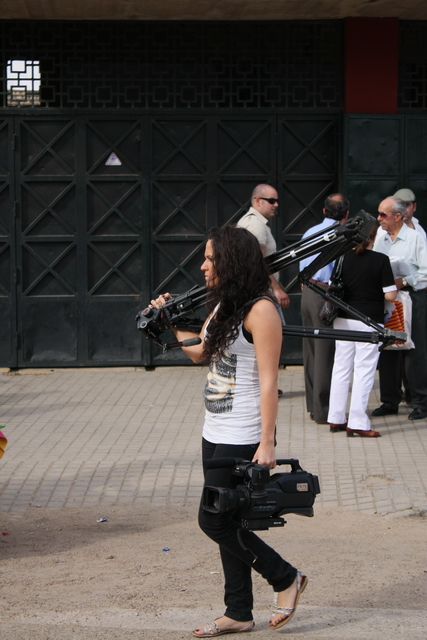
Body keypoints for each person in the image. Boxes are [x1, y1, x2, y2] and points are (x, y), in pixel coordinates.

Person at [149, 226, 307, 637]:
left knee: (213, 521)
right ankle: (238, 611)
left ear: (231, 261)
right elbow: (202, 351)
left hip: (243, 434)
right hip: (214, 428)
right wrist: (172, 322)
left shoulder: (261, 310)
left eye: (210, 258)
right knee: (230, 521)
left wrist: (267, 442)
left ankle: (285, 577)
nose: (203, 266)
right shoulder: (227, 306)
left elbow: (271, 381)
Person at [327, 222, 397, 437]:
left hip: (343, 319)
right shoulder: (381, 260)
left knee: (341, 367)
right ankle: (357, 422)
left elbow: (333, 286)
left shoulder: (341, 258)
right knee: (364, 370)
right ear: (373, 237)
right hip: (369, 319)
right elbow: (390, 296)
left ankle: (336, 418)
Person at [372, 197, 427, 420]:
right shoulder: (380, 237)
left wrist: (403, 281)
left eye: (383, 215)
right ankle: (389, 400)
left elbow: (425, 272)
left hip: (412, 297)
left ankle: (420, 400)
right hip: (387, 298)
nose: (379, 219)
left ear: (398, 216)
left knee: (415, 350)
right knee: (387, 348)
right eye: (378, 214)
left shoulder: (416, 238)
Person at [299, 194, 349, 424]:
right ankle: (323, 410)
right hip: (325, 294)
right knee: (325, 354)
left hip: (308, 292)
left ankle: (312, 406)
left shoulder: (310, 232)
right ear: (346, 214)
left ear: (323, 210)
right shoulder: (342, 234)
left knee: (310, 350)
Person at [237, 184, 289, 398]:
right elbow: (258, 261)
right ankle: (262, 384)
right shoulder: (254, 225)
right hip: (260, 292)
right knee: (271, 336)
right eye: (271, 201)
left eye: (277, 200)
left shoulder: (257, 224)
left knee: (269, 337)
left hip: (259, 292)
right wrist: (276, 288)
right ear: (257, 200)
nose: (276, 205)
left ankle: (263, 383)